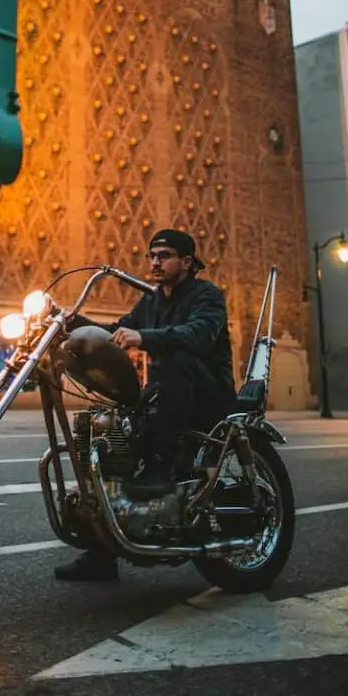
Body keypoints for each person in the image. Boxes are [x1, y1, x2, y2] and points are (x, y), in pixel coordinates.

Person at [54, 228, 236, 583]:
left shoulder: (206, 294)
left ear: (186, 262)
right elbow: (115, 333)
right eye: (152, 255)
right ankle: (102, 554)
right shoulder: (151, 302)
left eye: (164, 255)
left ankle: (160, 463)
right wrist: (70, 322)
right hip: (166, 398)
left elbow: (198, 335)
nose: (155, 262)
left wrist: (145, 337)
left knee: (179, 357)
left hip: (207, 396)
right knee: (108, 441)